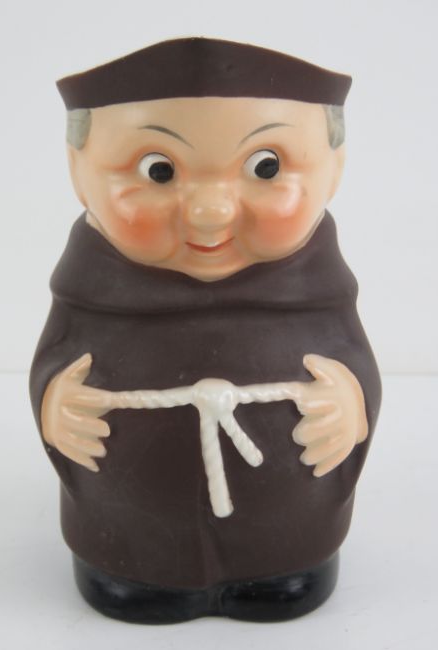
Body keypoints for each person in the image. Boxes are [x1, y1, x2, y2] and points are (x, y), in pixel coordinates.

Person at [29, 37, 381, 623]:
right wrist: (54, 400)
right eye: (159, 171)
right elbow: (55, 355)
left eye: (266, 167)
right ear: (79, 172)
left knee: (284, 568)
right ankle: (134, 570)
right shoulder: (89, 290)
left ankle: (281, 565)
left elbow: (352, 356)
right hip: (127, 532)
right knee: (135, 569)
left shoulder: (319, 291)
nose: (210, 210)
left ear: (334, 167)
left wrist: (351, 402)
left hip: (289, 530)